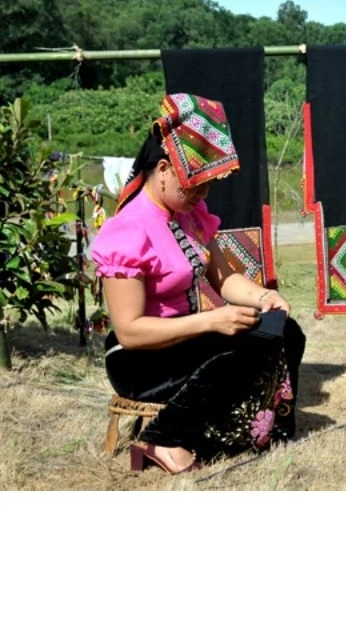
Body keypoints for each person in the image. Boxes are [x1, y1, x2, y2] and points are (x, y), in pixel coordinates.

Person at [91, 92, 305, 474]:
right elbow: (129, 331)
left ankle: (254, 428)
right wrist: (210, 322)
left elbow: (223, 279)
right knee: (234, 355)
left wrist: (262, 296)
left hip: (186, 338)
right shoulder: (127, 231)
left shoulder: (189, 216)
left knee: (286, 333)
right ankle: (163, 437)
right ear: (163, 169)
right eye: (196, 185)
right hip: (139, 359)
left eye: (208, 186)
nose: (203, 195)